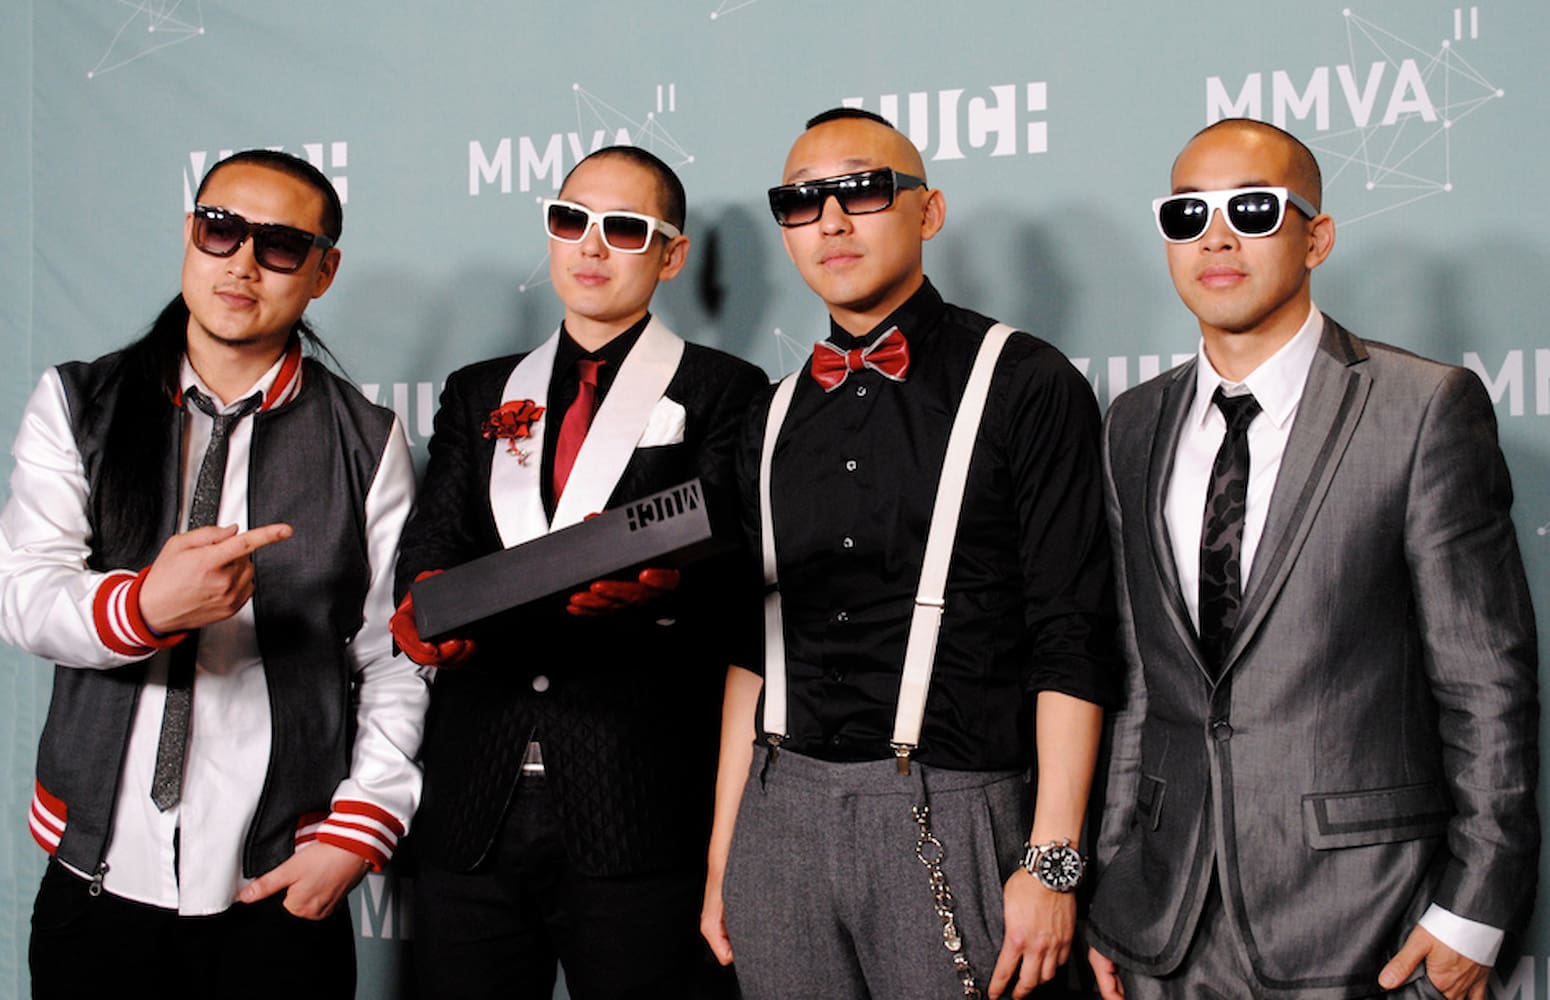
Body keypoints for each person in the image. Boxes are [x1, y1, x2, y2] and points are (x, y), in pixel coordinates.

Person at [1086, 118, 1539, 1000]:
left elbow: (1485, 682)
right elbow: (1144, 680)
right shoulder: (1131, 424)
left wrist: (1475, 909)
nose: (1215, 236)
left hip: (1368, 920)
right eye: (1188, 214)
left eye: (1251, 210)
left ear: (1316, 236)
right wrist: (1117, 882)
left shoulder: (1421, 406)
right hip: (1165, 924)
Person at [700, 107, 1118, 1000]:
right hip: (777, 815)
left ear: (927, 211)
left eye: (862, 190)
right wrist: (723, 857)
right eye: (801, 202)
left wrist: (1052, 862)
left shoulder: (1026, 381)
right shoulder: (768, 416)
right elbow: (750, 648)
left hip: (955, 805)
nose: (833, 221)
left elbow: (1071, 634)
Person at [0, 149, 427, 998]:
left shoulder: (367, 441)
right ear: (190, 235)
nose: (239, 262)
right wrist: (144, 605)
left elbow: (395, 653)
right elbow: (23, 594)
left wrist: (359, 826)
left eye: (278, 245)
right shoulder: (80, 401)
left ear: (322, 270)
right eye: (220, 229)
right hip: (97, 880)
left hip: (276, 889)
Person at [391, 145, 767, 1000]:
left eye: (625, 229)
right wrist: (426, 610)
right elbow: (434, 539)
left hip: (638, 801)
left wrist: (666, 593)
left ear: (671, 255)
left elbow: (738, 565)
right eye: (570, 221)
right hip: (470, 799)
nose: (591, 247)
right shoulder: (478, 390)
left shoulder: (728, 391)